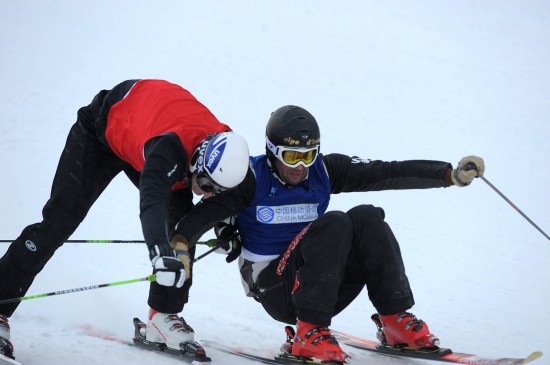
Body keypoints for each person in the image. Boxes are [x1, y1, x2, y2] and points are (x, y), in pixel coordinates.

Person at [169, 105, 485, 364]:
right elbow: (200, 216)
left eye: (309, 155)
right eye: (292, 157)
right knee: (334, 222)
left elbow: (386, 171)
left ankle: (394, 321)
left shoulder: (324, 170)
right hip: (274, 287)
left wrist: (448, 175)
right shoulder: (251, 178)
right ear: (271, 153)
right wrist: (181, 245)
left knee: (365, 216)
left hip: (319, 284)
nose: (301, 166)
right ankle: (307, 333)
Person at [0, 79, 250, 360]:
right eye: (205, 185)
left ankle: (162, 316)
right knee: (60, 220)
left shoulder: (235, 163)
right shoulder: (170, 150)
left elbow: (229, 200)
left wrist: (223, 224)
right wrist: (159, 253)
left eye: (216, 191)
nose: (206, 194)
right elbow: (152, 202)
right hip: (102, 131)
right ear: (198, 161)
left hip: (144, 131)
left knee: (180, 230)